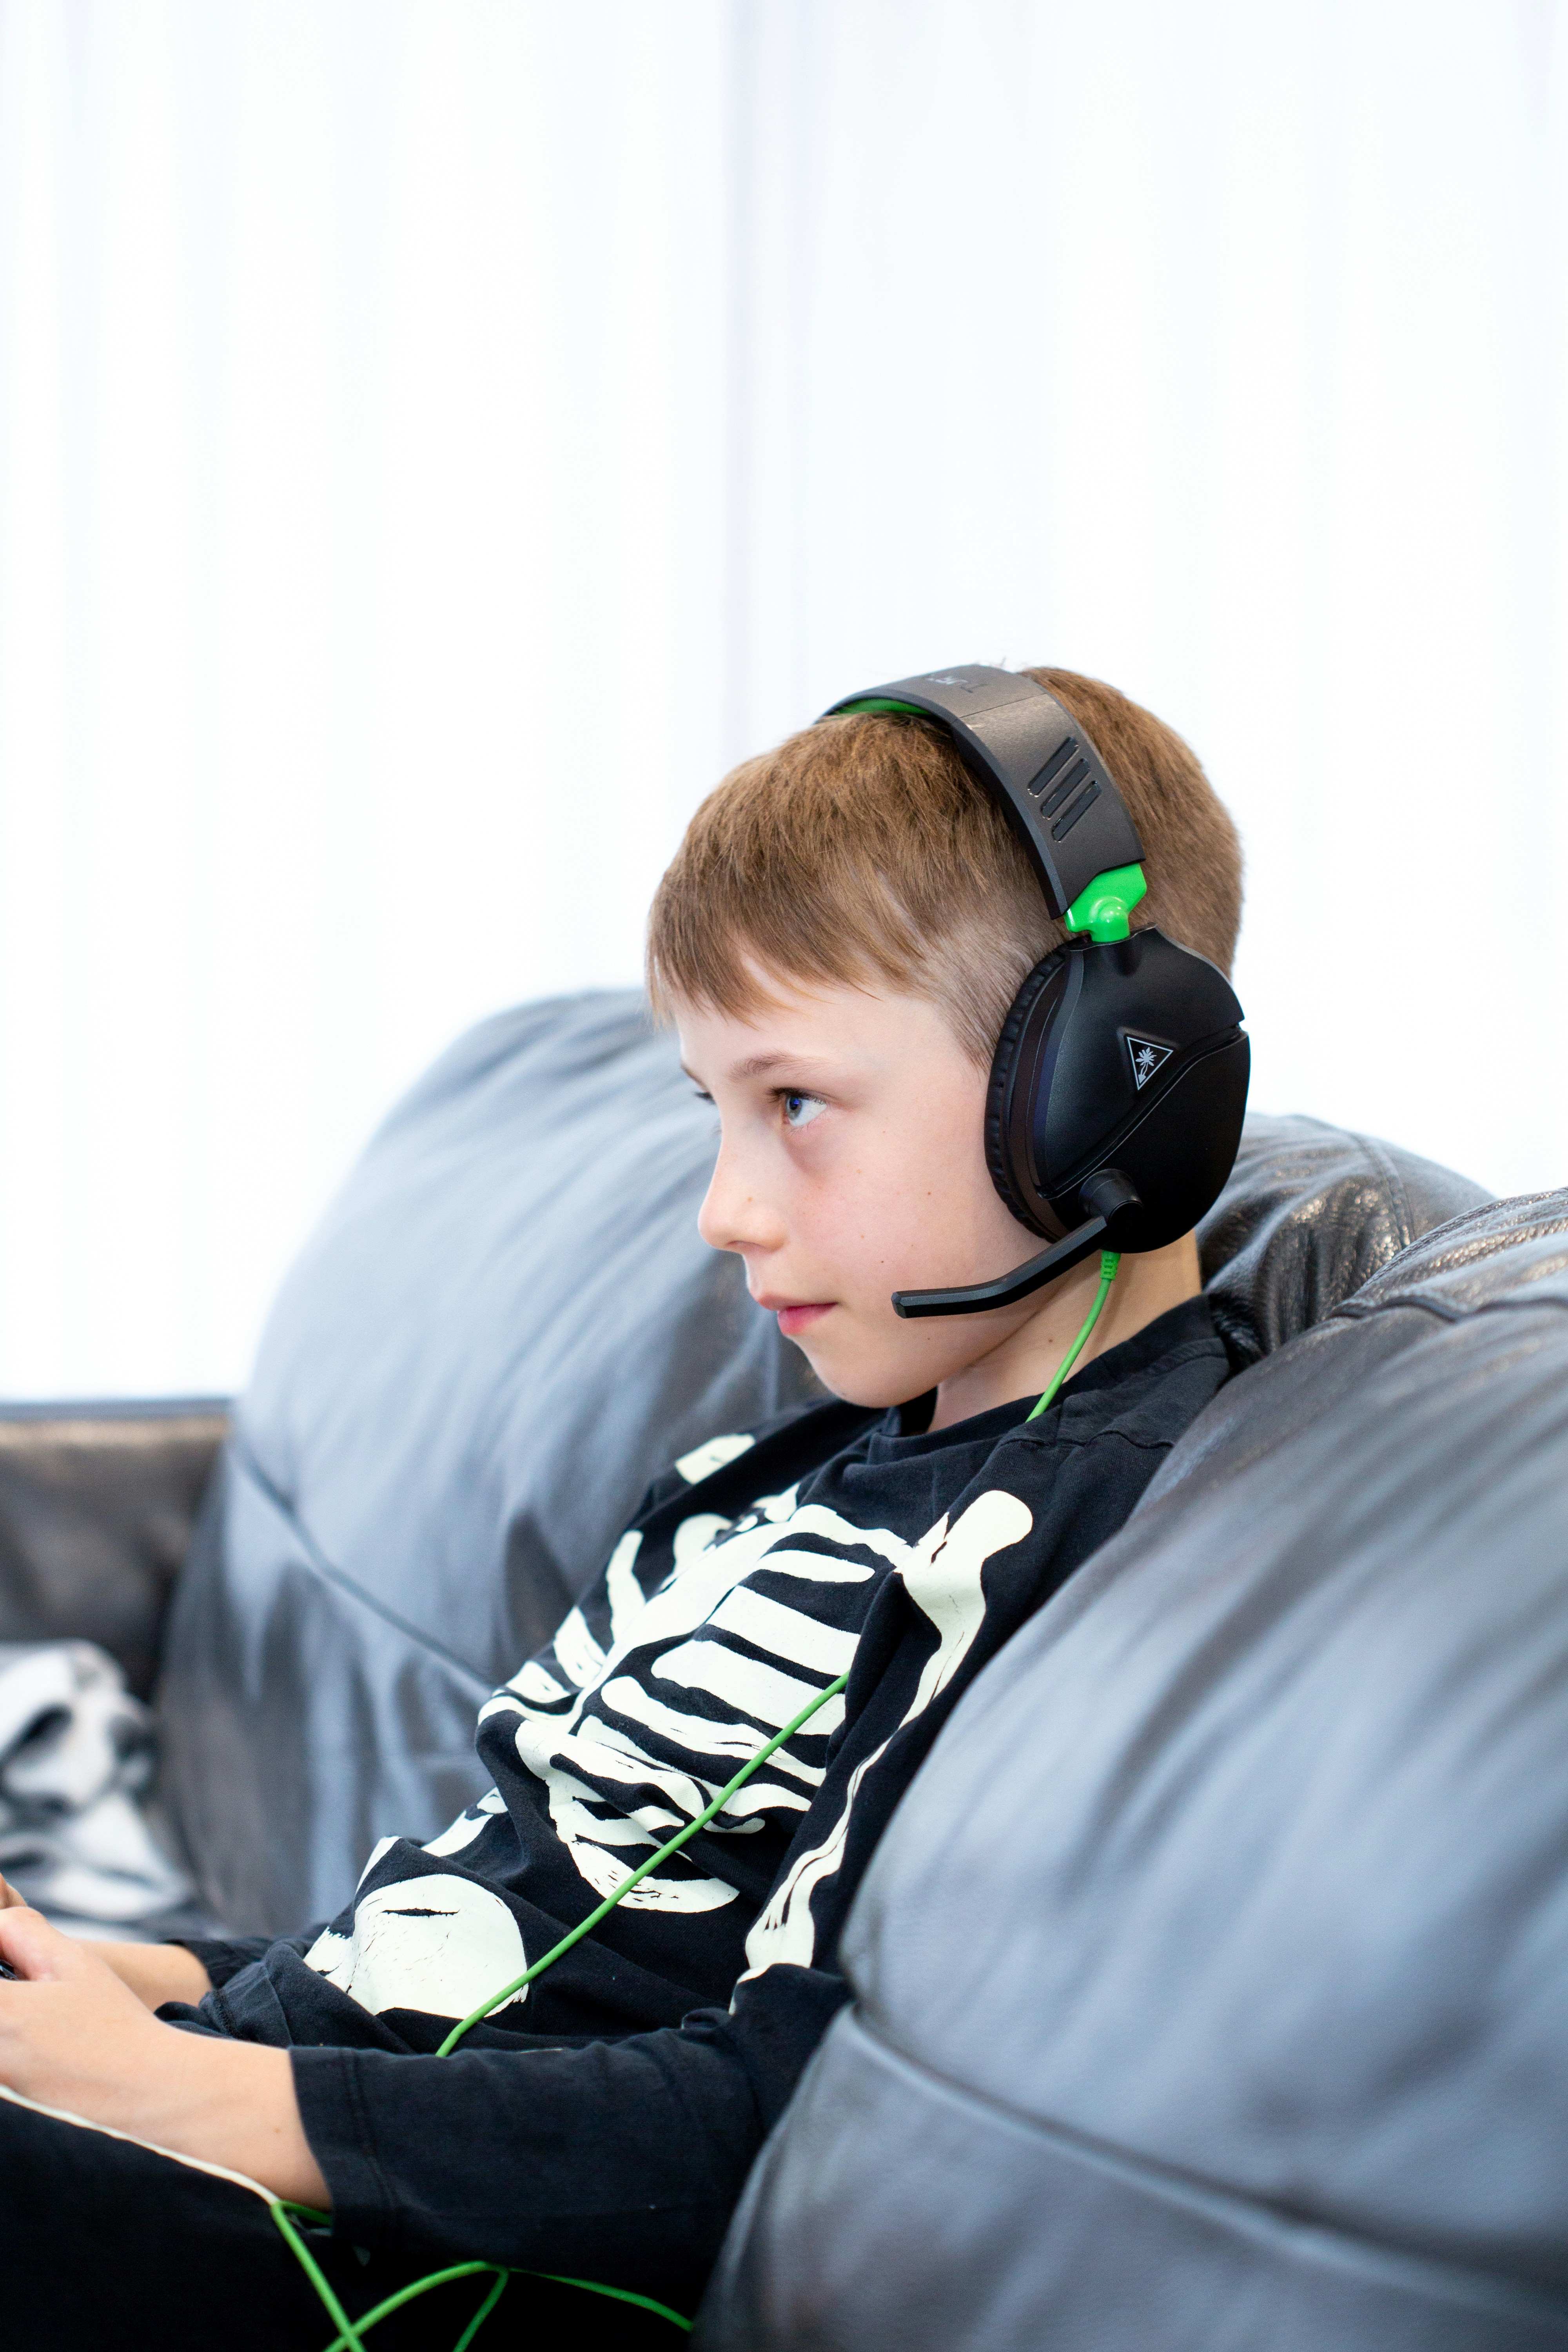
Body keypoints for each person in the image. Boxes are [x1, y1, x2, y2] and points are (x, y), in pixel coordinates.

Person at [0, 668, 1243, 2347]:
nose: (727, 1209)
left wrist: (169, 2094)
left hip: (414, 2271)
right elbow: (504, 1926)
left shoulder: (1074, 1541)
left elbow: (777, 2109)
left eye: (794, 1102)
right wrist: (161, 1990)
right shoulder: (786, 1468)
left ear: (1101, 1091)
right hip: (275, 2138)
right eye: (713, 1112)